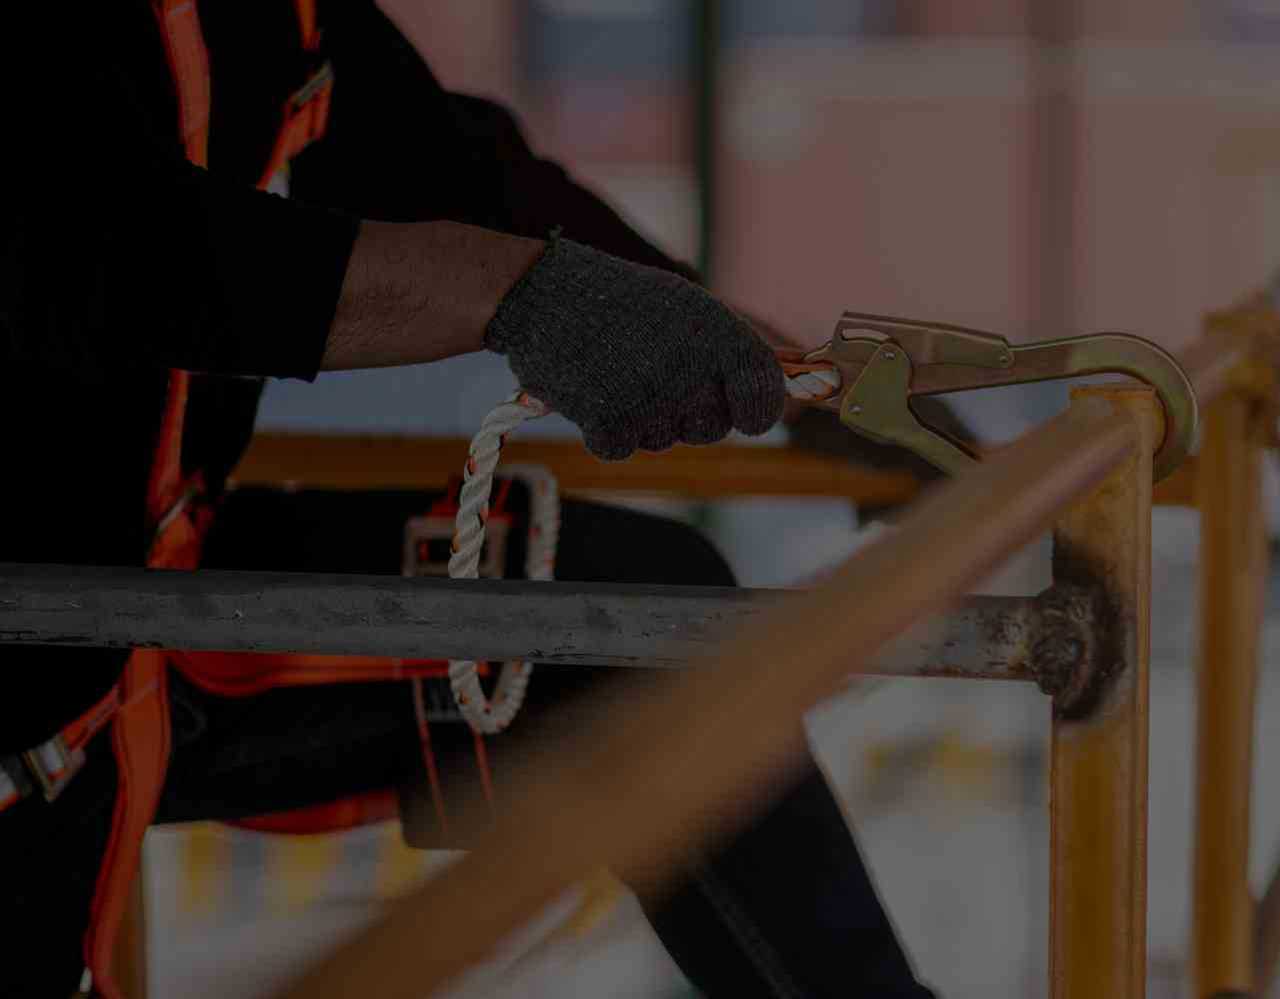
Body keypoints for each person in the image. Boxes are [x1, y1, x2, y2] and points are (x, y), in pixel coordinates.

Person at [0, 2, 934, 996]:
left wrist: (775, 367)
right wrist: (510, 293)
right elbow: (103, 245)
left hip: (143, 602)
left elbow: (446, 166)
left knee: (641, 621)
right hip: (37, 679)